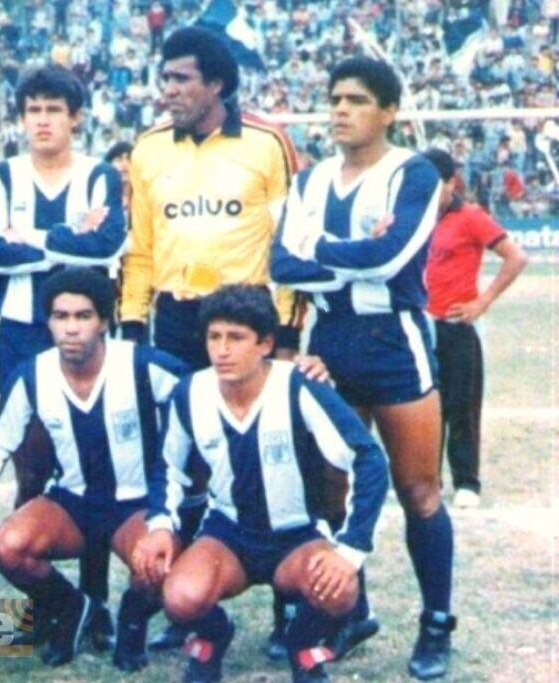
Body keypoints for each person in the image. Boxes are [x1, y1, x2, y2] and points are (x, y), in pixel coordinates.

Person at [271, 56, 456, 679]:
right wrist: (347, 254)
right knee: (332, 490)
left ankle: (436, 623)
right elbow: (281, 265)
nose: (341, 110)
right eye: (334, 99)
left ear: (389, 111)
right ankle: (352, 610)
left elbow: (390, 256)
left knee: (417, 490)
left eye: (355, 99)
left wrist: (318, 248)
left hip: (394, 344)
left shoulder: (415, 173)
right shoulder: (310, 181)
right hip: (328, 342)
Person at [120, 26, 302, 654]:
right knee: (180, 463)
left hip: (247, 324)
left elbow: (289, 245)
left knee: (275, 458)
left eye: (180, 79)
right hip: (173, 322)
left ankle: (291, 612)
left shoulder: (266, 144)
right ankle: (186, 604)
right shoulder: (146, 150)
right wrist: (131, 326)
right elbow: (140, 249)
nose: (167, 90)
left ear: (216, 83)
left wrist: (283, 334)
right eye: (163, 78)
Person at [134, 285, 389, 683]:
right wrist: (160, 525)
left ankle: (301, 642)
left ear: (266, 343)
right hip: (228, 535)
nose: (222, 350)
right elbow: (168, 467)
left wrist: (351, 548)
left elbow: (368, 458)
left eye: (236, 338)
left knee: (340, 590)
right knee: (179, 597)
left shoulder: (299, 385)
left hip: (297, 534)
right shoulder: (191, 392)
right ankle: (214, 635)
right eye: (214, 337)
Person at [0, 268, 186, 670]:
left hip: (136, 505)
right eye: (61, 317)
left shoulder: (144, 365)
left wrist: (299, 371)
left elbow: (210, 393)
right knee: (8, 545)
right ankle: (74, 608)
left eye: (83, 316)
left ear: (104, 321)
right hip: (72, 503)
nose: (71, 328)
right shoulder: (33, 374)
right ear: (49, 322)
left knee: (157, 569)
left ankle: (130, 623)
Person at [0, 63, 127, 649]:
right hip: (20, 330)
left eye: (53, 109)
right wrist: (65, 238)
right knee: (30, 465)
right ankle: (57, 607)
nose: (42, 120)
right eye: (32, 109)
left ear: (75, 118)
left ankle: (98, 602)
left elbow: (106, 244)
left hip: (87, 335)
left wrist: (29, 236)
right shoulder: (2, 176)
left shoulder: (98, 176)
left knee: (93, 464)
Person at [422, 148, 528, 508]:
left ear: (451, 183)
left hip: (457, 325)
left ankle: (467, 481)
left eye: (432, 185)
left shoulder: (470, 217)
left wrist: (482, 303)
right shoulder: (414, 218)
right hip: (421, 326)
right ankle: (427, 478)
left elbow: (516, 257)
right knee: (423, 405)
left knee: (461, 405)